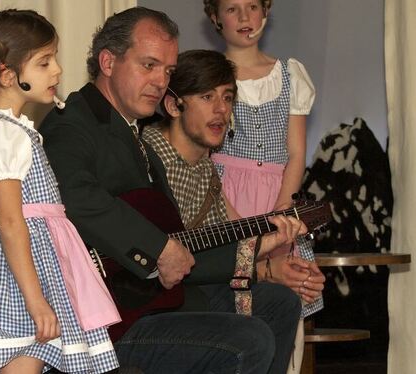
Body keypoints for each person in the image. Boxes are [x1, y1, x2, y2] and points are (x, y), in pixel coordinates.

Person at [40, 7, 305, 374]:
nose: (160, 81)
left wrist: (257, 251)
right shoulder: (73, 121)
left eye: (167, 70)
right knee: (250, 339)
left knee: (278, 303)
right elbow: (73, 196)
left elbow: (181, 244)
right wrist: (159, 248)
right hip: (106, 321)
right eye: (148, 65)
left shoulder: (137, 139)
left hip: (151, 298)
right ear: (108, 61)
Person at [0, 9, 120, 374]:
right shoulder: (1, 132)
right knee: (23, 359)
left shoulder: (13, 129)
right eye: (44, 62)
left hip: (32, 270)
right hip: (16, 280)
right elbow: (11, 221)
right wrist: (35, 299)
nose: (57, 70)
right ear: (9, 74)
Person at [142, 49, 326, 371]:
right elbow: (185, 256)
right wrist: (267, 268)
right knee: (253, 333)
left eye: (228, 98)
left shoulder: (205, 167)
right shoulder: (149, 158)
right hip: (156, 299)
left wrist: (281, 264)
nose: (221, 109)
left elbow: (226, 237)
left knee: (282, 303)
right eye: (207, 96)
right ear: (173, 105)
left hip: (197, 288)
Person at [204, 1, 323, 371]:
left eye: (252, 6)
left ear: (266, 11)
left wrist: (280, 222)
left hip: (278, 203)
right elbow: (202, 161)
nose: (244, 18)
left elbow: (296, 155)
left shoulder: (290, 74)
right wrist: (241, 224)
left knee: (286, 303)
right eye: (232, 8)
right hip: (224, 199)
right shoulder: (208, 77)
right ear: (214, 17)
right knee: (232, 308)